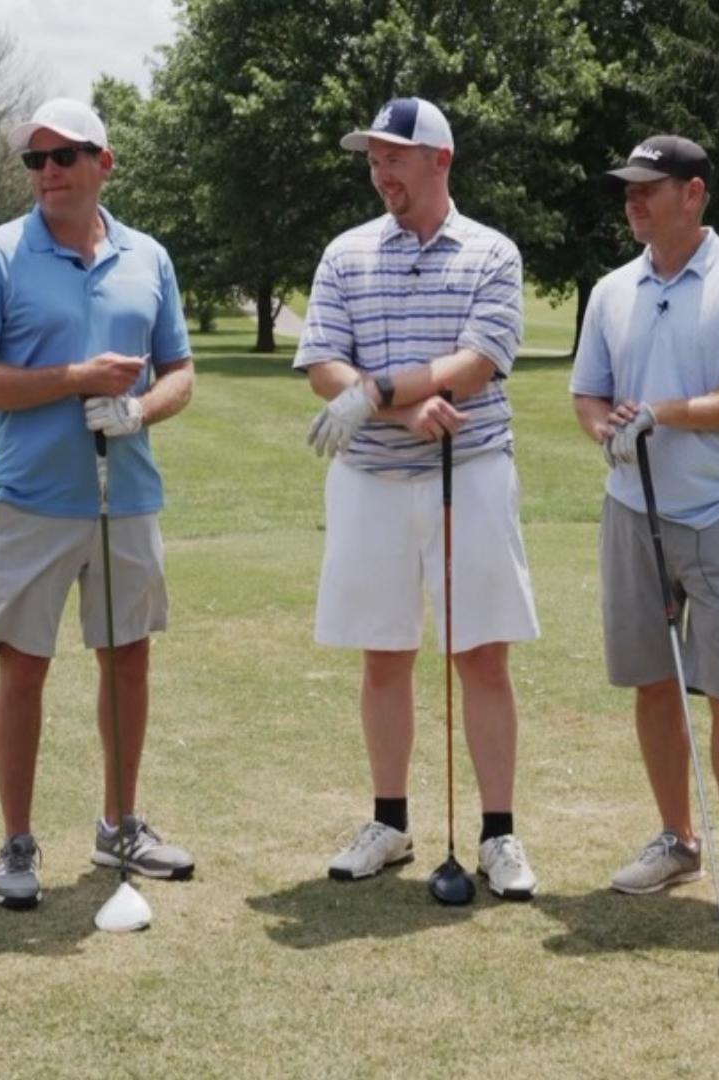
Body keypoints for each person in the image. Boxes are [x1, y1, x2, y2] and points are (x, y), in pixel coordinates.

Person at [0, 98, 197, 911]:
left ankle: (119, 822)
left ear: (104, 163)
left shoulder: (147, 257)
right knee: (24, 668)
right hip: (32, 499)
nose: (47, 172)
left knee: (128, 660)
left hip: (126, 497)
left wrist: (137, 410)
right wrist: (74, 380)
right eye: (35, 160)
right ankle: (17, 843)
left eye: (65, 156)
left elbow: (180, 373)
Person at [297, 97, 541, 900]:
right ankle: (391, 823)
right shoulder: (345, 253)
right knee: (383, 652)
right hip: (370, 475)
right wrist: (397, 408)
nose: (380, 171)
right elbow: (324, 359)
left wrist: (377, 389)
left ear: (441, 159)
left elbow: (479, 362)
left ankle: (499, 834)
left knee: (481, 654)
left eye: (394, 156)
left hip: (467, 469)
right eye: (373, 158)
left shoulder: (492, 253)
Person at [569, 135, 719, 941]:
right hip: (633, 511)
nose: (632, 199)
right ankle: (678, 841)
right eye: (627, 187)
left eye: (648, 187)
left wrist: (665, 413)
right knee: (653, 683)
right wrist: (610, 432)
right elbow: (589, 395)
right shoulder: (610, 290)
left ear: (693, 195)